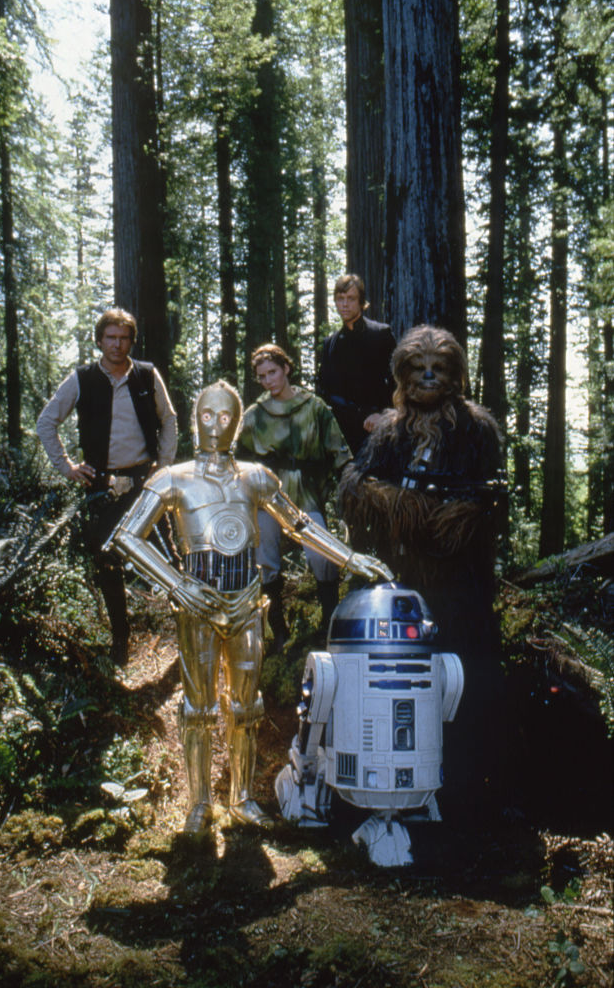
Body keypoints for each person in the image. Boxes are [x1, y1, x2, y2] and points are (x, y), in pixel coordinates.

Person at [107, 380, 391, 834]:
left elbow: (298, 526)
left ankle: (241, 797)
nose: (215, 426)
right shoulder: (172, 478)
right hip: (196, 602)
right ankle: (199, 802)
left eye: (225, 417)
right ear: (194, 419)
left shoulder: (255, 477)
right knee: (197, 709)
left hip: (245, 603)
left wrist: (350, 558)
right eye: (206, 416)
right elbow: (125, 535)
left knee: (247, 707)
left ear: (237, 424)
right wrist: (177, 584)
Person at [339, 325, 506, 811]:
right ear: (402, 376)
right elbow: (356, 484)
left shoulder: (476, 430)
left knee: (464, 677)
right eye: (418, 367)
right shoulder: (390, 432)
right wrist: (402, 506)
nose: (428, 376)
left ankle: (465, 786)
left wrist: (456, 516)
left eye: (438, 368)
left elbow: (493, 497)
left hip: (460, 584)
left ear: (455, 375)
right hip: (403, 581)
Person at [36, 308, 177, 666]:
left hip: (147, 484)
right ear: (99, 340)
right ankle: (121, 639)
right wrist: (67, 467)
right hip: (101, 485)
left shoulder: (146, 375)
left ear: (132, 341)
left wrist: (164, 466)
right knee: (107, 561)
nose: (117, 344)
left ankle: (188, 631)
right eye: (110, 338)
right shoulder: (82, 378)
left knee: (169, 557)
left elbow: (170, 419)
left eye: (123, 338)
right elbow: (46, 421)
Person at [237, 343, 352, 649]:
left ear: (286, 369)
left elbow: (339, 450)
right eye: (261, 376)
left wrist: (350, 480)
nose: (268, 380)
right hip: (269, 497)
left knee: (322, 554)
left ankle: (329, 621)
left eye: (272, 372)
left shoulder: (313, 407)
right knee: (265, 558)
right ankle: (278, 629)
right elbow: (237, 460)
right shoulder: (254, 416)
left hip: (306, 495)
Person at [316, 273, 396, 455]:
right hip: (344, 435)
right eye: (340, 299)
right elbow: (325, 391)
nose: (344, 304)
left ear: (361, 302)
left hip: (379, 430)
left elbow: (398, 384)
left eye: (351, 299)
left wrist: (384, 416)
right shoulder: (331, 343)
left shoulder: (380, 334)